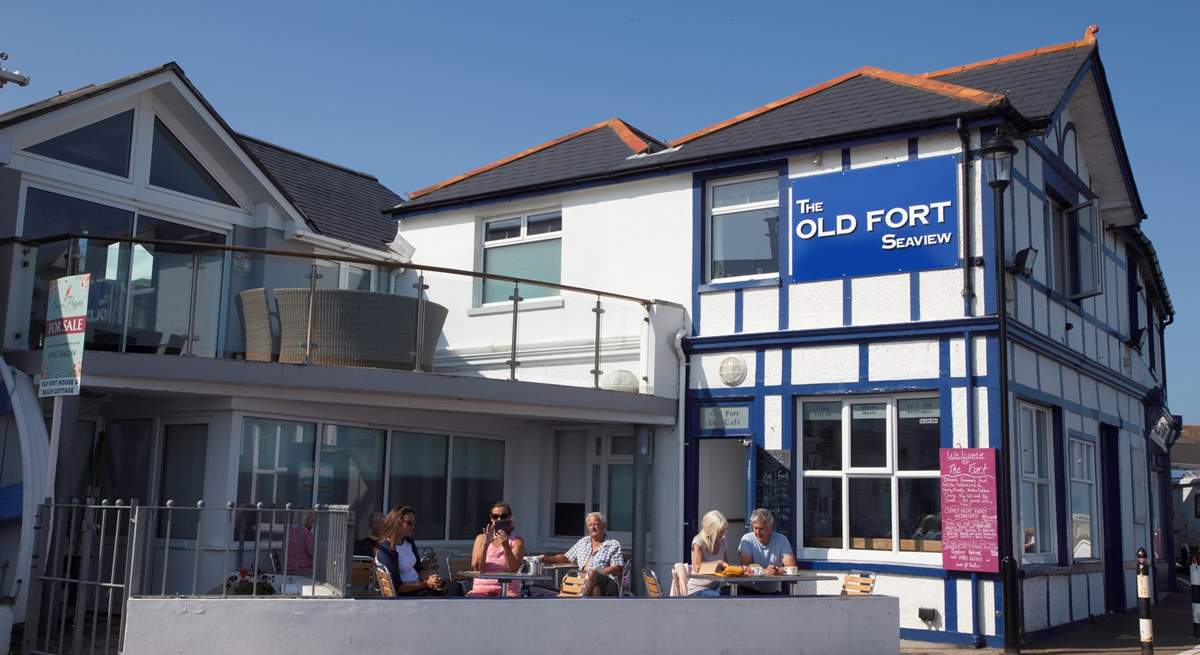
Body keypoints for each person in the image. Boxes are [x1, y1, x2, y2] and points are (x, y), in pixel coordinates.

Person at [374, 506, 462, 597]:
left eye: (414, 523)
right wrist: (426, 584)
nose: (413, 527)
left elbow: (419, 569)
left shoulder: (409, 542)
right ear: (396, 523)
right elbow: (398, 587)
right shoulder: (386, 550)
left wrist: (431, 579)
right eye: (409, 523)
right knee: (445, 594)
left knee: (454, 586)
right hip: (407, 593)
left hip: (419, 586)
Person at [544, 512, 624, 596]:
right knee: (596, 590)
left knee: (592, 574)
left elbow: (617, 568)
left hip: (608, 583)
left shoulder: (613, 544)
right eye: (590, 525)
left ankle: (580, 600)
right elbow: (566, 557)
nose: (593, 528)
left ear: (603, 526)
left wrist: (595, 573)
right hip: (584, 582)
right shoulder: (583, 542)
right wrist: (548, 559)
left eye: (596, 524)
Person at [466, 501, 525, 597]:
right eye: (495, 516)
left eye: (503, 516)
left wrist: (506, 545)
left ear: (509, 517)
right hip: (482, 588)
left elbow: (513, 569)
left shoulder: (517, 540)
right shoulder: (481, 538)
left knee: (510, 602)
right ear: (491, 518)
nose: (499, 519)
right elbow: (477, 568)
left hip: (508, 588)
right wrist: (485, 545)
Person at [737, 508, 797, 594]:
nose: (758, 532)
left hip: (773, 593)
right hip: (748, 591)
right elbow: (745, 567)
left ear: (771, 527)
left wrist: (778, 571)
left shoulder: (782, 540)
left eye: (761, 528)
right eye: (755, 528)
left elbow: (792, 568)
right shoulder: (747, 539)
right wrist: (764, 571)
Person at [687, 510, 733, 597]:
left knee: (739, 594)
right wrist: (719, 563)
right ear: (711, 530)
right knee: (717, 598)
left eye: (724, 530)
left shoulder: (722, 540)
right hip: (698, 589)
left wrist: (738, 571)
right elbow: (698, 568)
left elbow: (725, 567)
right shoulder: (698, 541)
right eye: (721, 531)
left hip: (716, 587)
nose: (723, 533)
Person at [286, 512, 315, 576]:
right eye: (312, 522)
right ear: (306, 520)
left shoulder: (289, 531)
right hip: (303, 569)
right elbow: (314, 553)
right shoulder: (307, 534)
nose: (312, 525)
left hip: (288, 568)